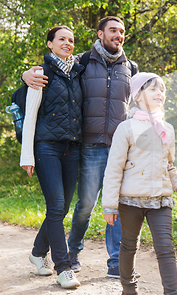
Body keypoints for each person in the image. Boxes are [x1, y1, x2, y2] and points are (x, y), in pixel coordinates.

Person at [21, 16, 138, 278]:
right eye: (112, 30)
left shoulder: (130, 67)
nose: (118, 35)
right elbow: (40, 89)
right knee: (83, 205)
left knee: (114, 205)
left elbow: (145, 100)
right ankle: (71, 253)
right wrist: (26, 73)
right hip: (86, 146)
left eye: (121, 31)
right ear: (100, 34)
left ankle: (116, 263)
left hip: (117, 148)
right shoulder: (83, 63)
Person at [102, 73, 177, 295]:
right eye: (153, 89)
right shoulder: (126, 128)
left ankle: (173, 291)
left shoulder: (167, 129)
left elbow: (169, 165)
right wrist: (110, 205)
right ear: (138, 96)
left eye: (162, 90)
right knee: (129, 245)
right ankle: (129, 289)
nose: (160, 93)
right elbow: (114, 168)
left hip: (161, 200)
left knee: (166, 248)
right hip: (130, 200)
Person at [20, 26, 83, 288]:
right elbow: (31, 115)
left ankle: (37, 252)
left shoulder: (79, 71)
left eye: (70, 40)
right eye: (61, 39)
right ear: (50, 44)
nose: (67, 43)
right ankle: (63, 267)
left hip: (73, 149)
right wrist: (27, 156)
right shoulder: (40, 74)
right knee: (56, 206)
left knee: (64, 207)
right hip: (47, 147)